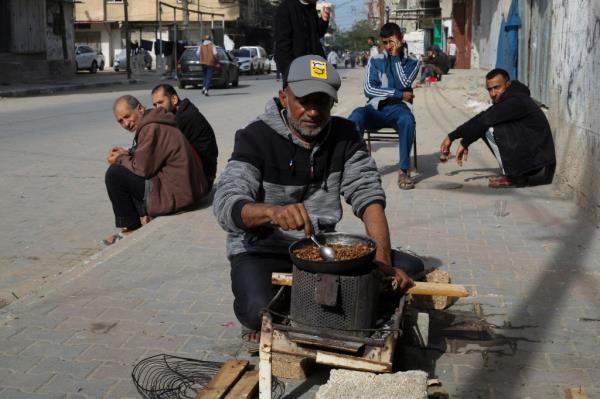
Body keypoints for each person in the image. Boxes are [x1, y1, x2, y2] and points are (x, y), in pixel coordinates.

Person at [213, 55, 419, 340]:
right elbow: (226, 203)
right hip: (262, 250)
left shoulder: (345, 135)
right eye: (303, 101)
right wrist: (272, 212)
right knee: (256, 311)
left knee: (407, 269)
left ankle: (313, 298)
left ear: (332, 103)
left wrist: (381, 263)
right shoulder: (254, 137)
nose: (312, 111)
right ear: (284, 97)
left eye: (321, 102)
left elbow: (368, 196)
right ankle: (309, 300)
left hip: (320, 251)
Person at [104, 96, 209, 244]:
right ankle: (140, 220)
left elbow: (142, 169)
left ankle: (131, 228)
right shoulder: (154, 122)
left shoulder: (151, 127)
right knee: (124, 167)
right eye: (121, 121)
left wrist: (119, 159)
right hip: (187, 190)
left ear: (140, 108)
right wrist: (126, 154)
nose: (126, 123)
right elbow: (148, 157)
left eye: (127, 116)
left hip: (179, 195)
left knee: (115, 173)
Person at [439, 68, 556, 188]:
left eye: (497, 87)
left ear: (508, 85)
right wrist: (452, 136)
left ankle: (515, 177)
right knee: (485, 123)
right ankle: (515, 172)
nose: (493, 93)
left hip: (536, 161)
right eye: (490, 89)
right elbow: (482, 117)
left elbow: (484, 121)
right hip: (536, 158)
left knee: (489, 129)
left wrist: (465, 142)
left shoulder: (515, 100)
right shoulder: (510, 97)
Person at [348, 23, 420, 190]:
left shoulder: (413, 62)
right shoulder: (375, 60)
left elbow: (404, 83)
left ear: (401, 39)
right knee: (356, 115)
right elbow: (369, 89)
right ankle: (351, 166)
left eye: (391, 42)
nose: (388, 47)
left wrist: (395, 57)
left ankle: (403, 170)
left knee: (408, 120)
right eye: (385, 43)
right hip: (376, 109)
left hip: (398, 110)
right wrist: (400, 94)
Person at [151, 84, 219, 189]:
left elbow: (160, 148)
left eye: (160, 103)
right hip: (199, 176)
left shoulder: (184, 118)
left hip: (201, 181)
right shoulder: (181, 112)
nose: (157, 109)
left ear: (174, 99)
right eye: (155, 105)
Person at [274, 0, 330, 81]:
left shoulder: (311, 8)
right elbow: (282, 46)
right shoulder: (285, 7)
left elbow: (316, 34)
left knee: (323, 91)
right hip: (297, 71)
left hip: (316, 68)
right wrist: (291, 72)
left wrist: (324, 20)